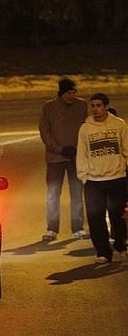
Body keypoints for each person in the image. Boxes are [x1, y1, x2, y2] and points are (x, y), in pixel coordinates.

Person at [76, 93, 127, 263]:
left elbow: (126, 148)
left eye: (99, 105)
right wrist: (83, 176)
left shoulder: (119, 125)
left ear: (106, 106)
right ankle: (103, 252)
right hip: (94, 181)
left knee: (117, 214)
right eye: (93, 105)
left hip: (117, 177)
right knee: (96, 218)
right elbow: (81, 153)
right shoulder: (85, 128)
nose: (96, 109)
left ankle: (121, 245)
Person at [38, 78, 88, 241]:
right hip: (55, 158)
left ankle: (77, 228)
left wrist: (76, 148)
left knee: (76, 192)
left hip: (75, 156)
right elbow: (45, 131)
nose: (71, 96)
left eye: (74, 93)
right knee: (53, 193)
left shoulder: (81, 105)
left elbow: (85, 128)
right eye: (68, 93)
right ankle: (52, 228)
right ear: (61, 93)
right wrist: (59, 149)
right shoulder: (49, 107)